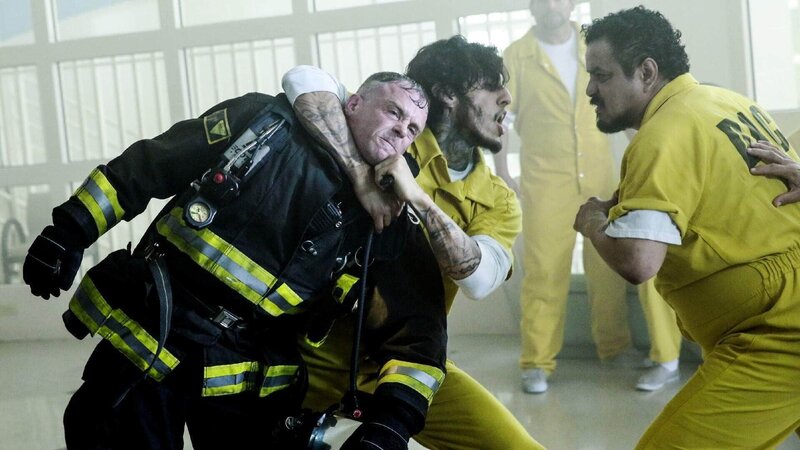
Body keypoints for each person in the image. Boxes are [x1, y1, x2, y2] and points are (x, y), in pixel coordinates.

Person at [22, 72, 449, 450]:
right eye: (393, 111)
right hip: (152, 334)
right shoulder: (261, 124)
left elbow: (417, 331)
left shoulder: (389, 220)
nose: (401, 130)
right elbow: (151, 164)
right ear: (352, 103)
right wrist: (69, 230)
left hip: (251, 380)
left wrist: (391, 425)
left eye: (412, 128)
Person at [283, 35, 543, 450]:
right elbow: (303, 78)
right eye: (492, 85)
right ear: (448, 94)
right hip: (302, 361)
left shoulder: (498, 199)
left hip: (409, 367)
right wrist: (360, 175)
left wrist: (417, 198)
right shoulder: (390, 134)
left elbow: (479, 282)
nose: (507, 97)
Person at [573, 6, 800, 448]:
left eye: (601, 75)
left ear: (646, 72)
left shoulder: (662, 134)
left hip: (777, 330)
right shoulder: (731, 102)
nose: (590, 89)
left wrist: (593, 222)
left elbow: (638, 261)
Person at [496, 0, 678, 394]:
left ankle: (615, 347)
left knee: (610, 268)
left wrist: (653, 151)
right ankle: (536, 362)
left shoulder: (596, 46)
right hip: (546, 181)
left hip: (600, 177)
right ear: (531, 6)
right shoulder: (516, 57)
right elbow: (501, 120)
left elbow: (628, 106)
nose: (551, 5)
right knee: (544, 272)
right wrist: (503, 172)